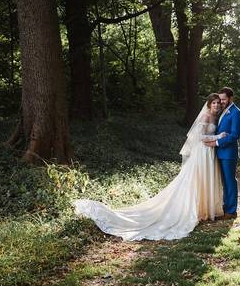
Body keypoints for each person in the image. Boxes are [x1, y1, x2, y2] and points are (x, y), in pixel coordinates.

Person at [72, 93, 228, 241]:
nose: (215, 105)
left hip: (210, 152)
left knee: (206, 180)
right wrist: (217, 137)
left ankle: (205, 209)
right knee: (196, 181)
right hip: (202, 154)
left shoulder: (216, 117)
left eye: (217, 103)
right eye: (213, 103)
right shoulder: (206, 116)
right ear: (208, 104)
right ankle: (191, 210)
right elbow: (198, 137)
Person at [206, 87, 240, 218]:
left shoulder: (236, 113)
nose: (221, 102)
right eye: (220, 99)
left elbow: (234, 135)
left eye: (224, 99)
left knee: (230, 181)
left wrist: (216, 143)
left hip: (229, 153)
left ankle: (231, 211)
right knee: (224, 182)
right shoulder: (222, 111)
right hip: (220, 153)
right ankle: (225, 208)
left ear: (231, 98)